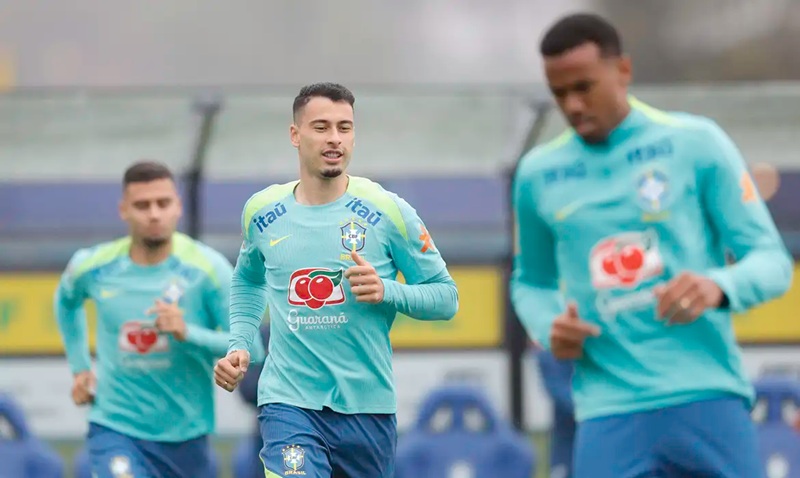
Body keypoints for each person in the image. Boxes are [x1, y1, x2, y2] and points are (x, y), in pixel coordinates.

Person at [511, 13, 793, 478]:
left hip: (708, 394)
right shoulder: (537, 174)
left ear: (622, 70)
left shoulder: (695, 143)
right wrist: (548, 326)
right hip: (608, 409)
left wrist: (717, 286)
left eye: (584, 87)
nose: (573, 104)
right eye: (560, 93)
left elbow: (771, 262)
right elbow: (531, 282)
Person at [213, 82, 459, 478]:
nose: (334, 139)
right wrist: (240, 343)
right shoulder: (262, 212)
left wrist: (387, 291)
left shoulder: (389, 211)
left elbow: (446, 299)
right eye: (321, 127)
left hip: (368, 408)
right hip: (288, 402)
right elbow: (248, 281)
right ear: (295, 135)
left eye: (344, 128)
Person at [55, 161, 264, 478]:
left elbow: (254, 349)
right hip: (115, 427)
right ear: (124, 210)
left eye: (163, 203)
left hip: (187, 436)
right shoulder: (93, 266)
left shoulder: (209, 270)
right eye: (142, 205)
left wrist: (187, 332)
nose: (154, 214)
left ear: (178, 206)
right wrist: (80, 368)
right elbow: (66, 302)